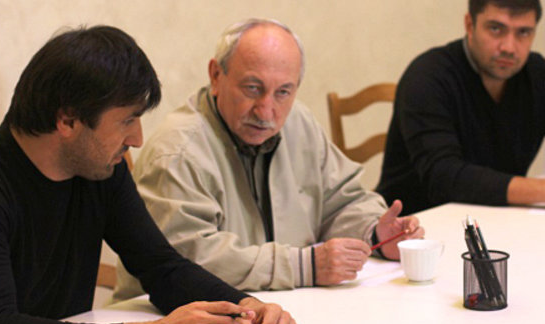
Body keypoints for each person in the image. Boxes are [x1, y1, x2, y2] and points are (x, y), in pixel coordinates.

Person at [0, 25, 301, 324]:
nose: (136, 139)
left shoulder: (101, 169)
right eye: (127, 120)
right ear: (68, 120)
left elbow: (160, 266)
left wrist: (246, 306)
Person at [113, 18, 424, 301]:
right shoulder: (177, 151)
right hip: (173, 318)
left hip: (279, 306)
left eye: (283, 92)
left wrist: (375, 232)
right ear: (216, 75)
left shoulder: (298, 122)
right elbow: (185, 264)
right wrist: (305, 267)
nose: (266, 111)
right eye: (252, 88)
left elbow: (342, 200)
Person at [377, 0, 545, 215]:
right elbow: (444, 178)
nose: (509, 47)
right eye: (496, 29)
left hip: (498, 217)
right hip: (417, 228)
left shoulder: (536, 74)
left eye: (523, 32)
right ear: (469, 24)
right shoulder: (427, 76)